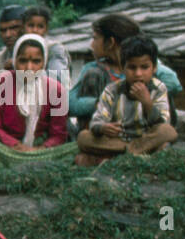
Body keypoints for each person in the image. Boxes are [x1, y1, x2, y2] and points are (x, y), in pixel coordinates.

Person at [0, 34, 76, 173]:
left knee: (76, 147)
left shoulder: (56, 90)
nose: (29, 67)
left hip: (40, 151)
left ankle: (24, 163)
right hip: (4, 149)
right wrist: (15, 145)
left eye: (36, 61)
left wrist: (38, 149)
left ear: (44, 62)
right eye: (23, 61)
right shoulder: (1, 84)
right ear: (14, 61)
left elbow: (58, 134)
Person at [69, 14, 183, 129]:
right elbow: (69, 104)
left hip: (143, 123)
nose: (91, 45)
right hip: (110, 126)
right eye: (131, 67)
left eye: (95, 38)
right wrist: (105, 101)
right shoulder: (93, 69)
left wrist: (143, 96)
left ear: (111, 42)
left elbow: (173, 83)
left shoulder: (145, 69)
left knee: (160, 87)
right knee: (93, 75)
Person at [76, 35, 177, 165]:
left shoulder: (158, 88)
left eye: (144, 67)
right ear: (123, 67)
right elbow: (97, 120)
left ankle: (119, 156)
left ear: (154, 68)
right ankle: (133, 153)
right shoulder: (112, 90)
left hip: (146, 139)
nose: (138, 74)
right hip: (117, 141)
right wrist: (103, 128)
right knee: (83, 137)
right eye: (132, 67)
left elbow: (162, 122)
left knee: (168, 131)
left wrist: (147, 102)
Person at [21, 6, 70, 77]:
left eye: (40, 26)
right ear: (23, 27)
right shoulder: (18, 48)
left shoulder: (54, 49)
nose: (35, 30)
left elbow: (57, 77)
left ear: (46, 29)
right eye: (31, 25)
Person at [0, 5, 25, 72]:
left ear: (26, 27)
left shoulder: (48, 51)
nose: (7, 35)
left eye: (14, 28)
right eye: (3, 30)